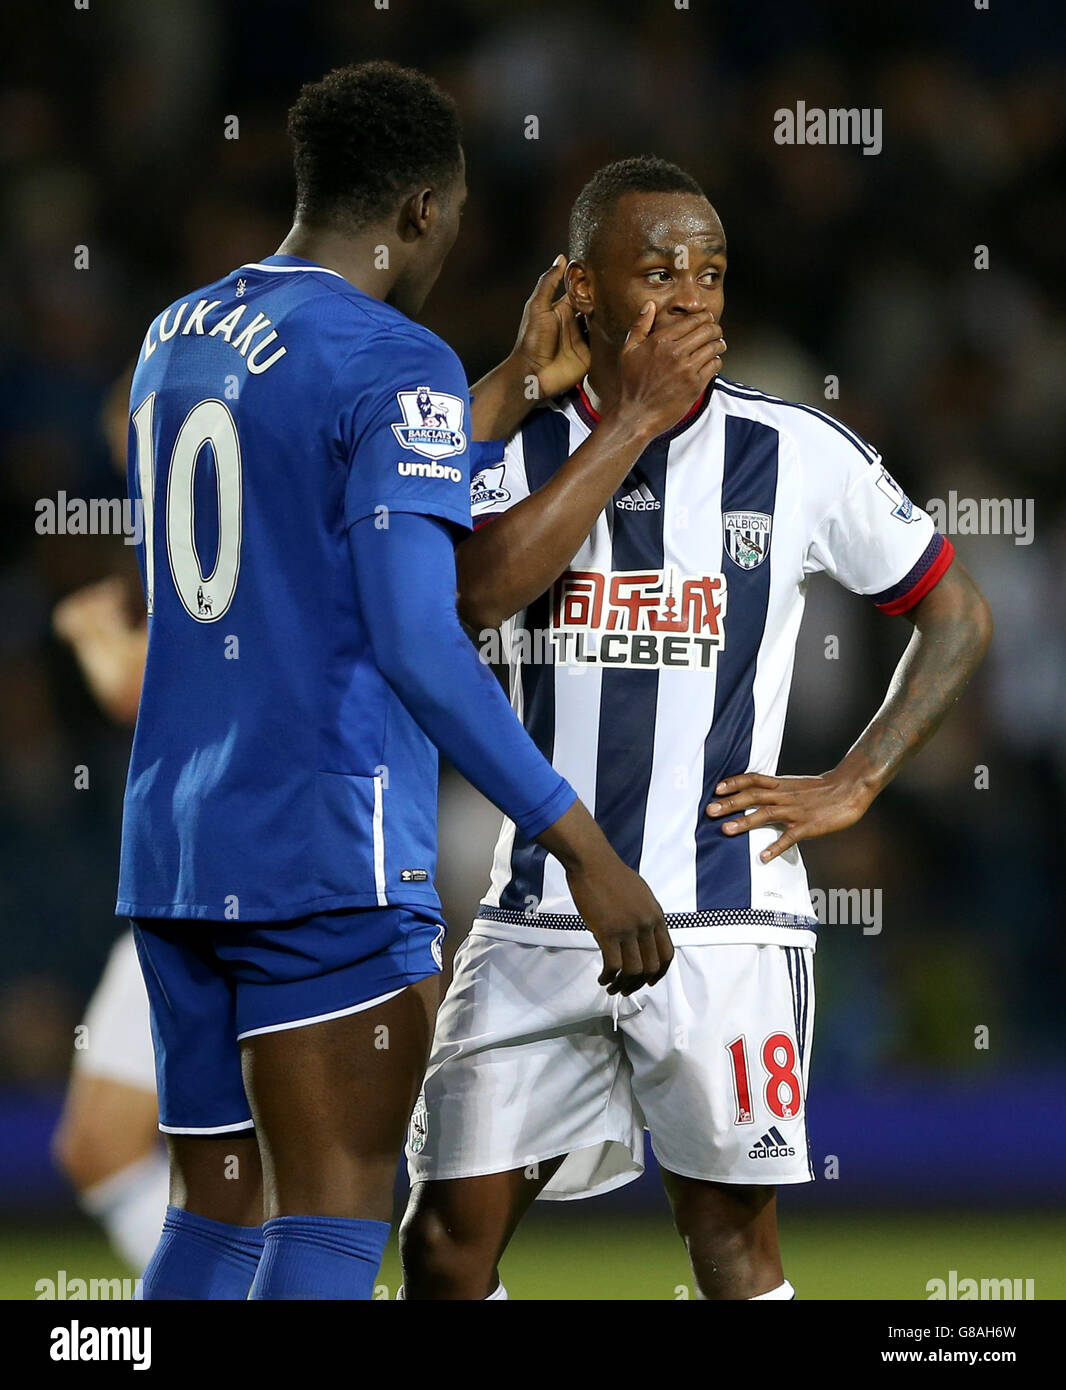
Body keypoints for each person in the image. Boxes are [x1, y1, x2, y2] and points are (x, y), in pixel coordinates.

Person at [120, 67, 674, 1301]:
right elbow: (422, 641)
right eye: (459, 217)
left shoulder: (178, 338)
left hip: (176, 837)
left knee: (212, 1211)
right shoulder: (393, 356)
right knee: (332, 1212)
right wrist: (579, 842)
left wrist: (509, 391)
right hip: (320, 843)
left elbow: (300, 505)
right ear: (422, 210)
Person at [399, 156, 994, 1301]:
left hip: (723, 919)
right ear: (579, 287)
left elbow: (955, 614)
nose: (690, 296)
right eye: (657, 269)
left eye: (710, 272)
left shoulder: (797, 451)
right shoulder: (511, 445)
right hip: (538, 919)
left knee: (727, 1249)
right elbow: (475, 595)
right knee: (441, 1252)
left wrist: (857, 778)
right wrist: (624, 424)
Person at [51, 578, 164, 1273]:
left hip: (232, 899)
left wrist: (87, 624)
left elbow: (132, 682)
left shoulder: (255, 515)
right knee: (95, 1147)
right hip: (177, 896)